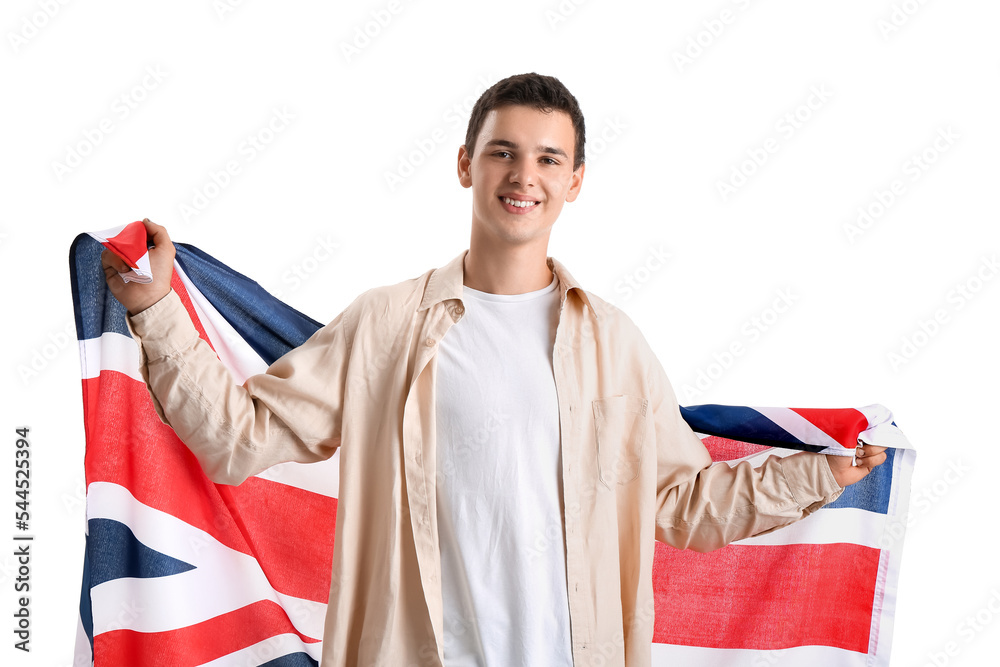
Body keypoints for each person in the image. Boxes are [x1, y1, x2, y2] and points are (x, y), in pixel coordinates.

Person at [101, 73, 886, 667]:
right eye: (503, 152)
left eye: (549, 158)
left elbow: (684, 504)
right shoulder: (385, 325)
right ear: (465, 165)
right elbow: (238, 439)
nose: (524, 176)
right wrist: (157, 308)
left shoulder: (615, 344)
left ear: (575, 181)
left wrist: (822, 475)